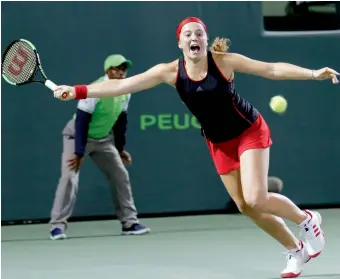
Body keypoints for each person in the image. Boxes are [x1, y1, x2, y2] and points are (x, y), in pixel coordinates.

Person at [53, 17, 339, 277]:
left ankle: (307, 219)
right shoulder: (170, 72)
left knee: (256, 198)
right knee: (246, 207)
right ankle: (296, 249)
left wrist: (313, 73)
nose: (195, 38)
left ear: (205, 39)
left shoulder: (223, 61)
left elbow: (272, 69)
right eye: (188, 34)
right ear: (180, 43)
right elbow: (122, 86)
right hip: (219, 142)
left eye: (199, 33)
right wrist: (77, 91)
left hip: (249, 131)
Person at [49, 54, 150, 240]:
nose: (120, 72)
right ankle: (57, 227)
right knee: (69, 177)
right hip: (77, 136)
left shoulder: (125, 90)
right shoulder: (94, 89)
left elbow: (121, 122)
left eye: (123, 69)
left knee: (120, 175)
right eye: (116, 69)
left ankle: (129, 223)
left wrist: (119, 149)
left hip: (103, 139)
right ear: (107, 71)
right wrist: (79, 152)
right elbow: (81, 121)